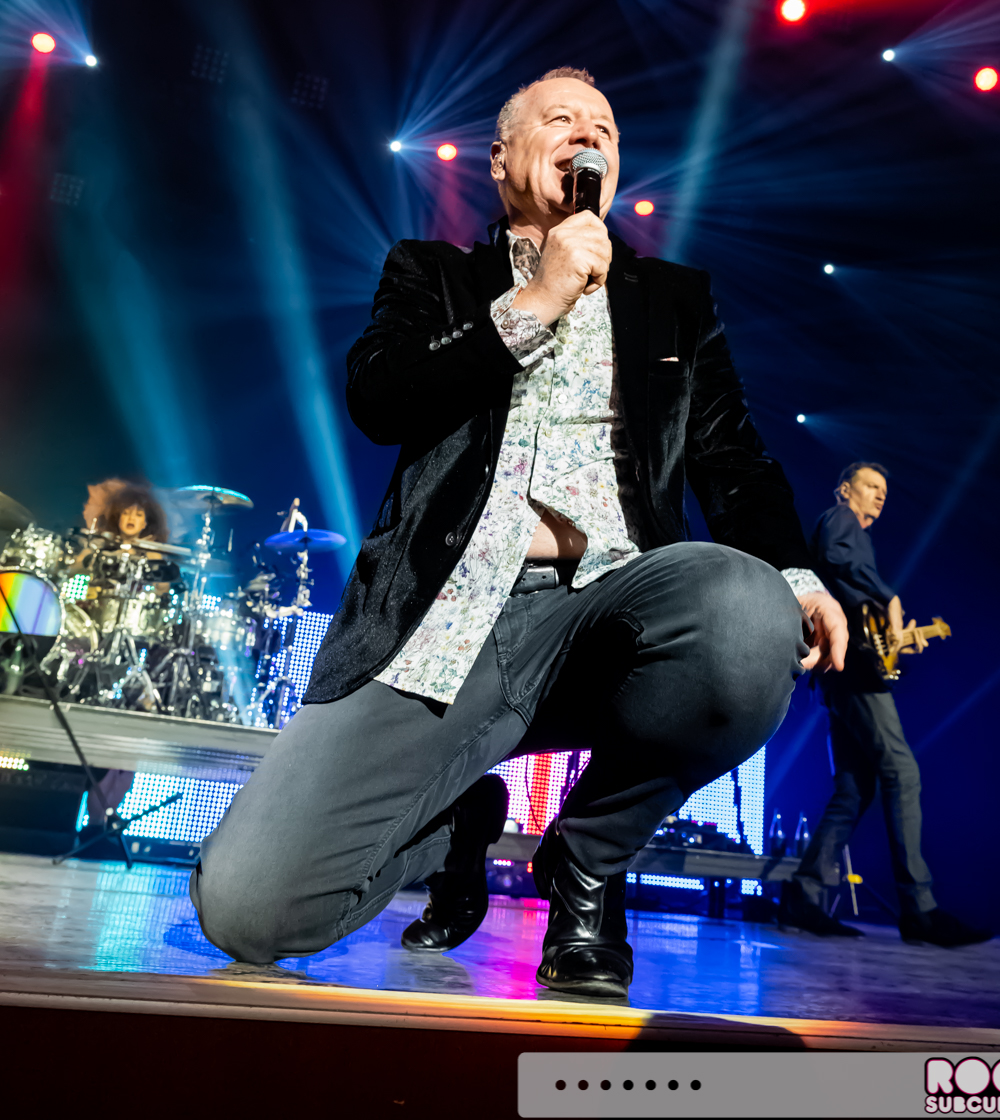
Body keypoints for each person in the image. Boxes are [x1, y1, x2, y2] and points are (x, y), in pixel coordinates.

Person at [191, 67, 847, 996]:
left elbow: (731, 457)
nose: (588, 136)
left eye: (603, 129)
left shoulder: (672, 300)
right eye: (561, 120)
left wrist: (798, 575)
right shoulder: (431, 274)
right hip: (448, 623)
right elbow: (379, 398)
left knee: (748, 609)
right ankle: (457, 821)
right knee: (248, 911)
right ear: (501, 161)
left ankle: (585, 861)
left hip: (611, 612)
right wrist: (537, 297)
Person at [781, 462, 991, 947]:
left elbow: (856, 601)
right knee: (902, 772)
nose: (879, 496)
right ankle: (919, 909)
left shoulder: (858, 535)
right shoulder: (841, 521)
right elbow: (838, 560)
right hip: (854, 673)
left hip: (846, 673)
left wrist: (897, 640)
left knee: (854, 790)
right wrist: (888, 596)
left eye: (884, 491)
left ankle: (803, 897)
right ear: (844, 489)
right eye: (870, 486)